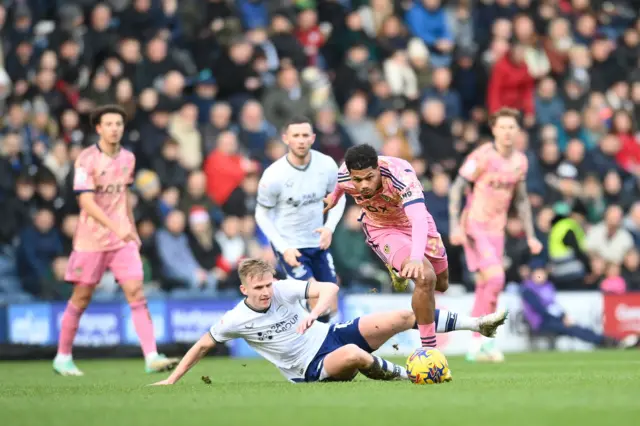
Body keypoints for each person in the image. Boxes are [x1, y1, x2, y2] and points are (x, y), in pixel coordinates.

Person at [151, 258, 508, 385]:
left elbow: (328, 289)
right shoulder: (236, 319)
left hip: (330, 334)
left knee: (402, 315)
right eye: (258, 288)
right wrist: (172, 379)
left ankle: (478, 325)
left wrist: (313, 312)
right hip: (309, 367)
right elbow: (202, 344)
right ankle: (409, 374)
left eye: (267, 284)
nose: (265, 292)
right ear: (244, 288)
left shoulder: (283, 289)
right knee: (354, 354)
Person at [53, 105, 178, 376]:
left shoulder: (128, 159)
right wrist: (116, 227)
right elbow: (85, 201)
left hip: (122, 240)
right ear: (98, 128)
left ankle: (152, 356)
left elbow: (122, 199)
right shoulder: (86, 159)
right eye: (108, 124)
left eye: (118, 123)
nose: (114, 128)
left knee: (136, 292)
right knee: (82, 296)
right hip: (91, 240)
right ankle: (62, 357)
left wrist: (129, 229)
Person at [323, 144, 459, 352]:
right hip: (382, 228)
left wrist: (415, 256)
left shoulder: (400, 175)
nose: (364, 185)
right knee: (425, 277)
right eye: (358, 180)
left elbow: (418, 220)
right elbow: (341, 186)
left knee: (441, 284)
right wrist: (333, 199)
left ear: (378, 168)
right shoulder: (344, 175)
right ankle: (429, 350)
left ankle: (400, 267)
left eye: (370, 177)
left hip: (415, 223)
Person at [448, 107, 543, 363]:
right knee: (497, 278)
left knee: (486, 286)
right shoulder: (482, 156)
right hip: (475, 226)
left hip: (496, 231)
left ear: (518, 130)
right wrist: (455, 226)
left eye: (512, 127)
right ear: (493, 130)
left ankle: (482, 343)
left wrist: (531, 236)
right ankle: (480, 340)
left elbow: (521, 201)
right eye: (502, 127)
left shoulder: (520, 161)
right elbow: (457, 188)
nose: (507, 132)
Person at [255, 115, 346, 323]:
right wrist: (282, 246)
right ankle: (308, 338)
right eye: (296, 135)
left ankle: (319, 342)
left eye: (305, 135)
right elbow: (261, 214)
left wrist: (329, 228)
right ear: (286, 139)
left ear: (313, 138)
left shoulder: (326, 165)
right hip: (291, 245)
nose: (301, 140)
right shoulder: (274, 174)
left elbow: (338, 198)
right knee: (315, 295)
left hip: (318, 243)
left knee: (330, 302)